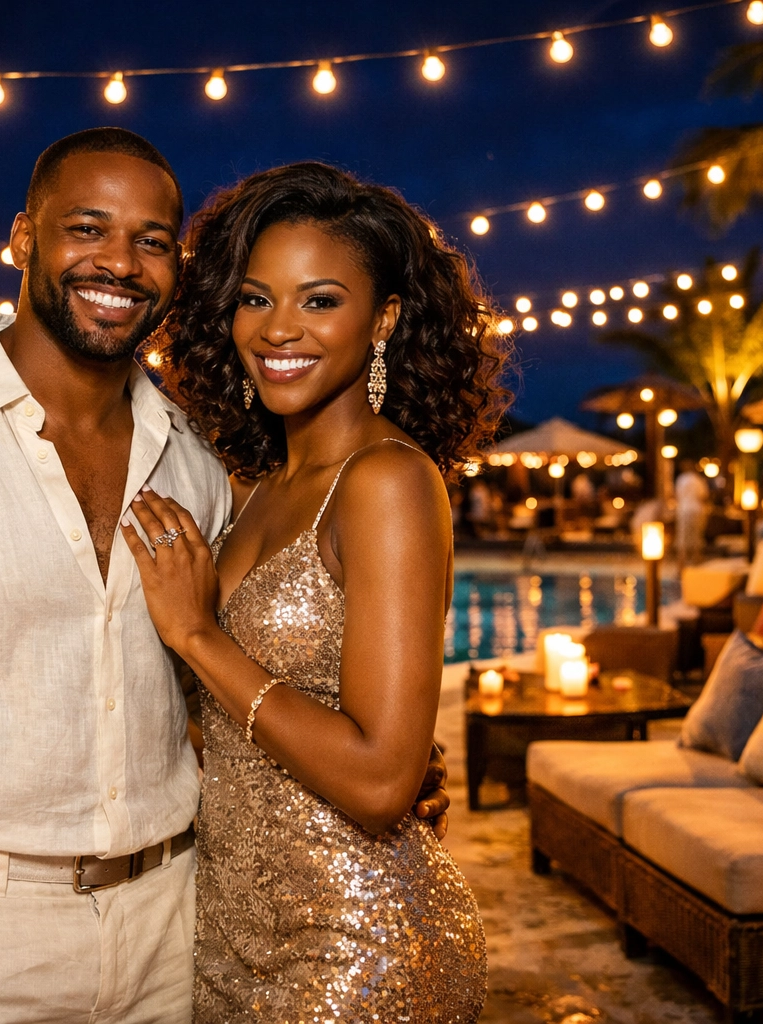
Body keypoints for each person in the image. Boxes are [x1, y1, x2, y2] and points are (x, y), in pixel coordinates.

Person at [0, 131, 449, 1024]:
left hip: (179, 935)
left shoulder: (196, 460)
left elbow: (193, 694)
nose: (119, 262)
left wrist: (381, 755)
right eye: (87, 228)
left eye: (152, 241)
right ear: (22, 238)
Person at [143, 162, 501, 1022]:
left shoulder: (387, 481)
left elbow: (380, 784)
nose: (279, 328)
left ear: (384, 319)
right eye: (256, 298)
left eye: (320, 300)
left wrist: (198, 637)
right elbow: (239, 728)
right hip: (231, 937)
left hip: (353, 950)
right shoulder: (257, 486)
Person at [673, 459, 710, 565]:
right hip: (697, 509)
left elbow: (676, 495)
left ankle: (682, 560)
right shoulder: (698, 480)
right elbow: (703, 496)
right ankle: (696, 559)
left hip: (683, 510)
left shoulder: (681, 479)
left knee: (683, 536)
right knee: (696, 535)